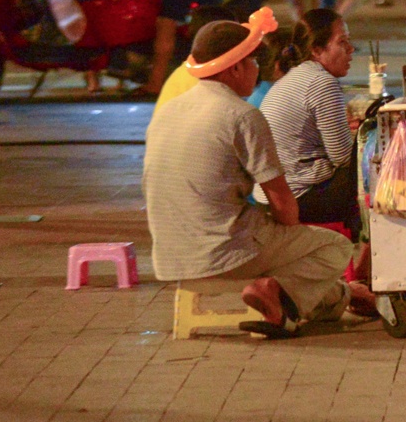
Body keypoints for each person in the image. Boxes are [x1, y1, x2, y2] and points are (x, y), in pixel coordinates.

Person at [143, 20, 359, 337]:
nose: (259, 69)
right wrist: (292, 234)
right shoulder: (241, 115)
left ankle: (342, 299)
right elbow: (282, 201)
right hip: (224, 256)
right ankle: (277, 305)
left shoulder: (168, 111)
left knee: (293, 255)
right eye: (254, 62)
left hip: (170, 257)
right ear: (234, 69)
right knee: (333, 248)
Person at [260, 9, 366, 240]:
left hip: (270, 192)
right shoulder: (322, 82)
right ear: (316, 50)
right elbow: (343, 157)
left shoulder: (294, 77)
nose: (351, 50)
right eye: (342, 42)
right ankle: (366, 258)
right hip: (298, 194)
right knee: (376, 171)